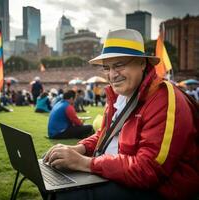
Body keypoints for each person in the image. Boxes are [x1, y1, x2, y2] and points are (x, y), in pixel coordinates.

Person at [43, 29, 199, 200]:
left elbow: (148, 170)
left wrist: (85, 162)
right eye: (107, 68)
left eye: (119, 65)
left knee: (66, 196)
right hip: (120, 174)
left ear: (142, 63)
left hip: (162, 190)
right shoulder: (119, 95)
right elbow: (106, 134)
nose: (112, 75)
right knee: (50, 183)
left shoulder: (164, 98)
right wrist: (80, 148)